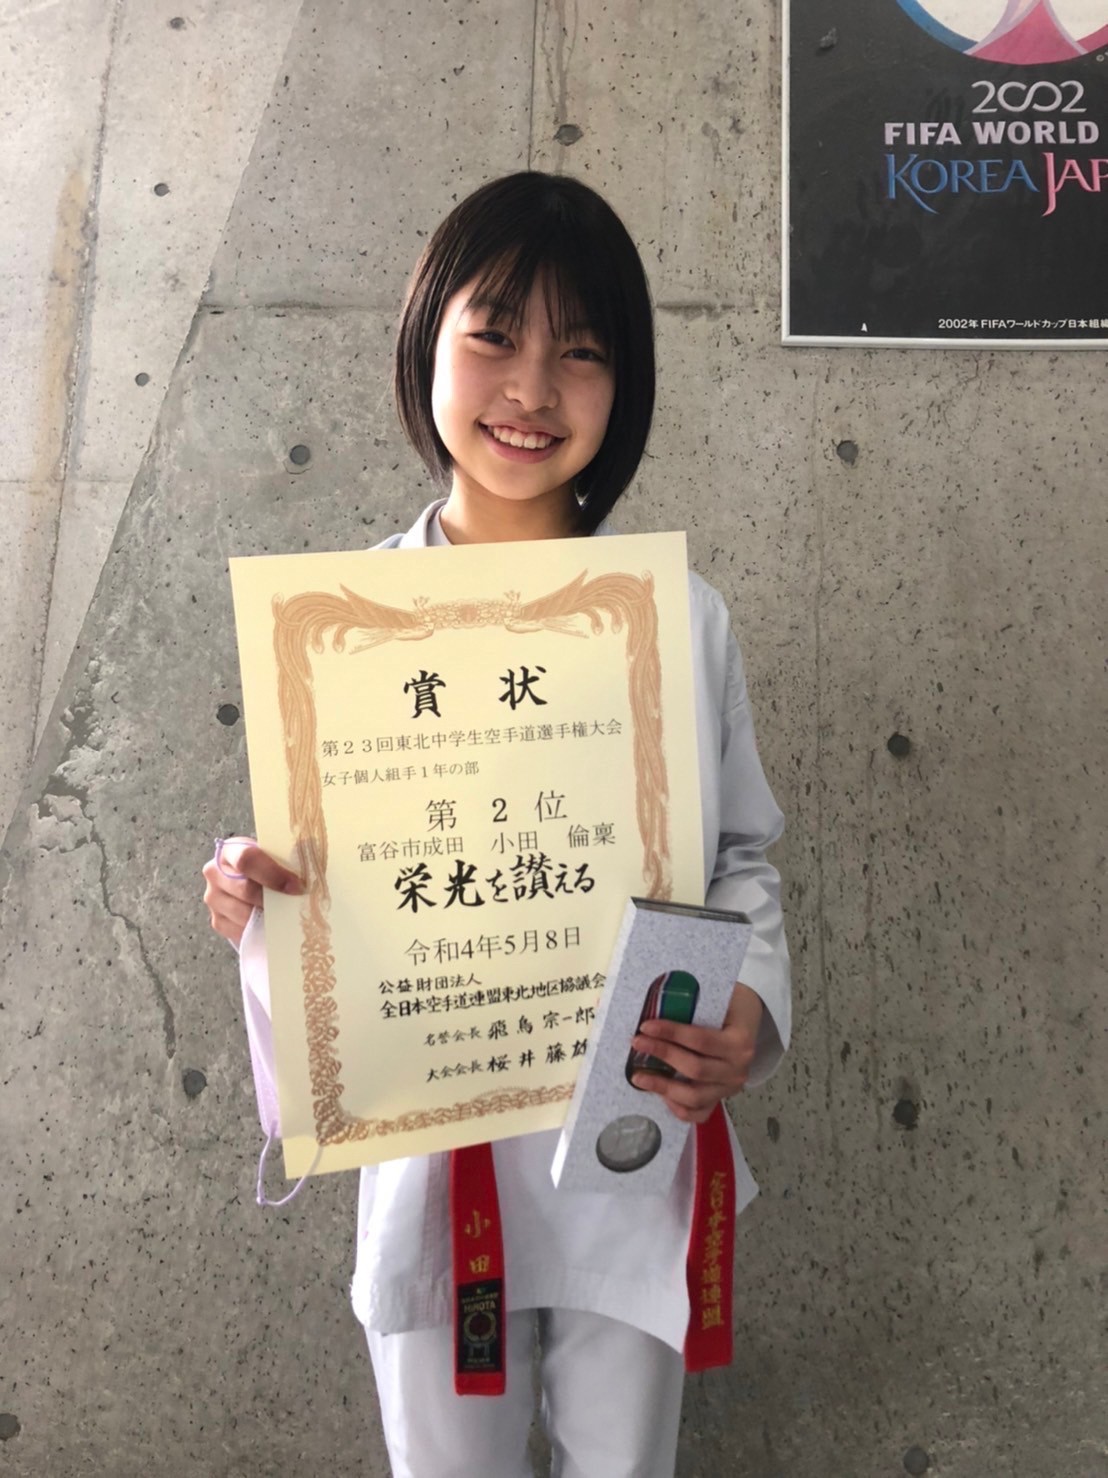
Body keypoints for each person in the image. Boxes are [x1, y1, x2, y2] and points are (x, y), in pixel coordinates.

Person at [202, 171, 790, 1478]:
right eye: (496, 336)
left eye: (581, 352)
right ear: (427, 341)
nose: (531, 389)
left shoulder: (677, 619)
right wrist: (258, 901)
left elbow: (740, 852)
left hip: (630, 1138)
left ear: (624, 385)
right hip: (437, 1151)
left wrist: (749, 1003)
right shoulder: (341, 625)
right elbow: (322, 877)